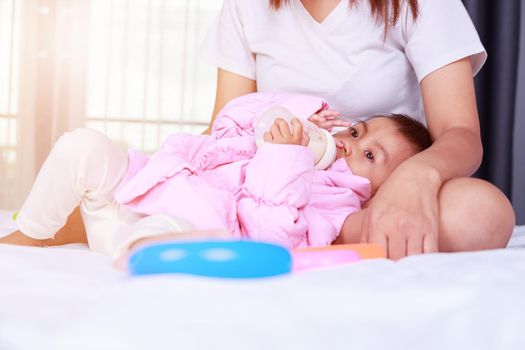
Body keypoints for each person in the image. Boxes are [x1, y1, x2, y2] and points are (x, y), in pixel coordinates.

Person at [200, 0, 515, 259]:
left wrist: (414, 178)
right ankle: (296, 229)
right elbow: (225, 126)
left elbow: (459, 132)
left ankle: (321, 231)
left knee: (482, 211)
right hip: (269, 182)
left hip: (377, 197)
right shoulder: (245, 8)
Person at [1, 93, 430, 258]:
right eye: (357, 131)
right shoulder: (301, 135)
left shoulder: (336, 203)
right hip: (134, 198)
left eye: (370, 155)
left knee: (178, 231)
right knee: (84, 145)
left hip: (169, 230)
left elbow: (272, 237)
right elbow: (228, 121)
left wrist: (285, 159)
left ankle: (146, 262)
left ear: (380, 191)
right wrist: (296, 111)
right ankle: (31, 234)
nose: (350, 144)